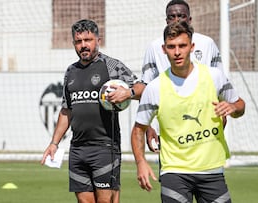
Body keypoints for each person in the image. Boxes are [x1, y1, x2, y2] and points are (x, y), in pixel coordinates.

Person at [131, 21, 245, 203]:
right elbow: (138, 129)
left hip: (211, 171)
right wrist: (141, 163)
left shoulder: (214, 76)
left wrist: (233, 108)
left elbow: (240, 105)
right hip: (175, 171)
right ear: (163, 49)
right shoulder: (155, 88)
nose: (177, 52)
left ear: (192, 47)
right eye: (171, 47)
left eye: (182, 46)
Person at [41, 19, 138, 203]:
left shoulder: (111, 66)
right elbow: (66, 111)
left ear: (98, 40)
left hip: (105, 147)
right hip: (77, 149)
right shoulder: (71, 71)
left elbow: (141, 87)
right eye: (78, 41)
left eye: (88, 40)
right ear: (74, 44)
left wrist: (128, 92)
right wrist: (54, 143)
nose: (83, 45)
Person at [137, 0, 225, 152]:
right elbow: (146, 88)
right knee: (171, 172)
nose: (176, 20)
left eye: (181, 16)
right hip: (169, 129)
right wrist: (148, 126)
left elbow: (220, 84)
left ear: (189, 19)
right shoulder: (154, 47)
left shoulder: (207, 43)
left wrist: (223, 114)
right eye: (172, 17)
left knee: (206, 170)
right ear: (166, 21)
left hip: (204, 129)